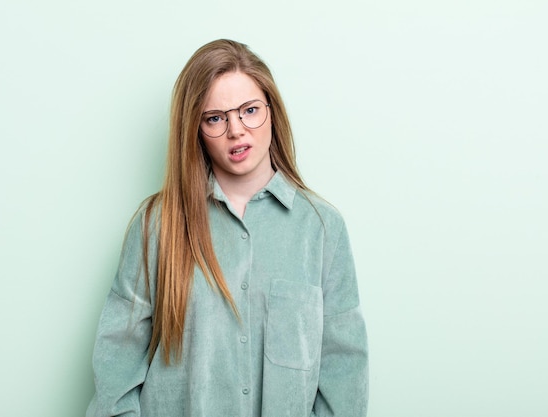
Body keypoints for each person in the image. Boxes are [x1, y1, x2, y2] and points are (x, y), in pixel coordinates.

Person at [86, 39, 368, 417]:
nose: (236, 129)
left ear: (272, 112)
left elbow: (344, 375)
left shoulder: (322, 229)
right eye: (215, 117)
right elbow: (115, 371)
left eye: (249, 110)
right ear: (196, 129)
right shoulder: (156, 225)